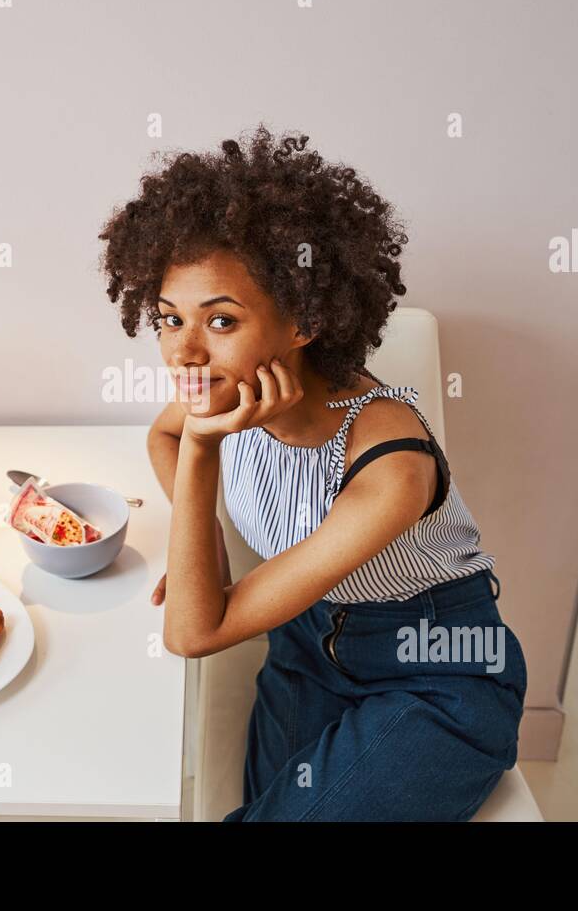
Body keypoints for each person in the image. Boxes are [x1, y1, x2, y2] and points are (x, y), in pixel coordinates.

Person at [97, 125, 527, 821]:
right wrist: (199, 540)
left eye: (222, 321)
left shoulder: (389, 462)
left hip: (438, 673)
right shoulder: (223, 396)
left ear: (301, 320)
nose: (186, 353)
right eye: (169, 318)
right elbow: (162, 436)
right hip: (305, 649)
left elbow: (191, 635)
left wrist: (205, 451)